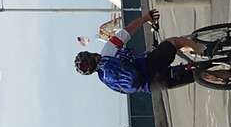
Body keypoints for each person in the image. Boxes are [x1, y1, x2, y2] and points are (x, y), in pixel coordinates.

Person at [74, 10, 206, 93]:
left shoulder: (106, 80)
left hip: (152, 85)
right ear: (92, 55)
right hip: (150, 64)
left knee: (199, 76)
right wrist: (145, 18)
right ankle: (204, 51)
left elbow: (127, 88)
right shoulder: (107, 52)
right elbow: (127, 31)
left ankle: (217, 75)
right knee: (174, 43)